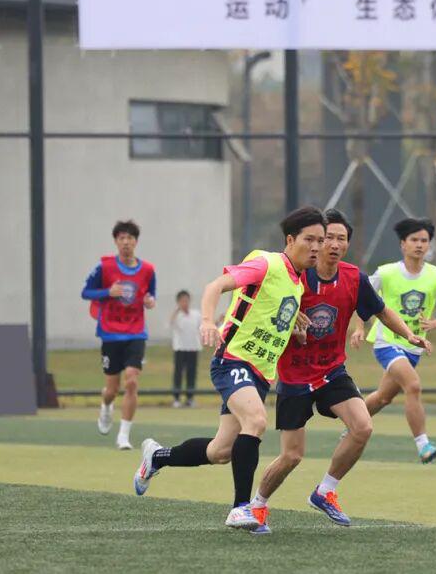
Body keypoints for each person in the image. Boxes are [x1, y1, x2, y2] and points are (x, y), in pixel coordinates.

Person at [133, 207, 325, 533]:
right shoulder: (266, 263)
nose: (317, 247)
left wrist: (295, 330)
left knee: (221, 451)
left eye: (320, 240)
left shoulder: (298, 284)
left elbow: (268, 316)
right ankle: (239, 508)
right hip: (233, 361)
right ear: (290, 240)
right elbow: (216, 285)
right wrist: (208, 321)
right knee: (257, 421)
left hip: (259, 375)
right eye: (310, 239)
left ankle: (157, 457)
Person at [251, 209, 428, 533]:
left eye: (340, 239)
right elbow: (265, 312)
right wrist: (288, 324)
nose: (333, 244)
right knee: (292, 456)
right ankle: (258, 505)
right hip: (294, 375)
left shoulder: (354, 278)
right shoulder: (295, 277)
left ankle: (325, 490)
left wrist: (408, 335)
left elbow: (382, 311)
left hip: (331, 370)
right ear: (316, 242)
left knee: (363, 426)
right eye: (327, 238)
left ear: (347, 244)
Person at [352, 217, 436, 464]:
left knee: (383, 397)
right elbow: (360, 298)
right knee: (413, 385)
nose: (419, 245)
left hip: (414, 347)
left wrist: (434, 324)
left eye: (424, 241)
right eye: (414, 240)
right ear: (403, 244)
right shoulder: (386, 273)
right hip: (387, 342)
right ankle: (423, 445)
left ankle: (353, 423)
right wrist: (359, 328)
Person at [81, 220, 156, 449]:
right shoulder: (104, 267)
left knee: (131, 381)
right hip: (110, 333)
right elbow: (86, 292)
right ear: (116, 241)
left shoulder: (147, 270)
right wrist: (108, 292)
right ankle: (106, 407)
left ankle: (123, 435)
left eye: (130, 238)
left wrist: (150, 301)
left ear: (136, 242)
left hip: (135, 332)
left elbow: (150, 294)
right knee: (111, 390)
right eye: (122, 238)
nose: (126, 242)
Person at [169, 290, 201, 407]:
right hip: (180, 348)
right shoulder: (176, 315)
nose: (185, 303)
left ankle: (190, 398)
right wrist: (177, 311)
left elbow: (202, 326)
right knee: (178, 374)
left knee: (191, 374)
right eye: (182, 301)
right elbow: (171, 323)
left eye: (186, 300)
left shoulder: (196, 314)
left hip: (193, 347)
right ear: (178, 302)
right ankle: (176, 399)